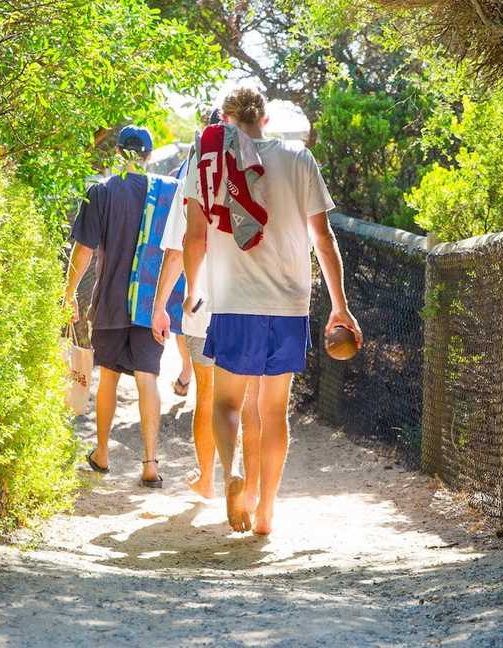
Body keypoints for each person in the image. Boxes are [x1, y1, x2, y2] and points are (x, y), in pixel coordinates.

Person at [180, 87, 362, 534]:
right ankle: (265, 514)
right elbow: (323, 238)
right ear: (265, 118)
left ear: (225, 119)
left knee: (227, 402)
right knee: (273, 411)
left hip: (233, 301)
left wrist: (191, 289)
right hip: (288, 304)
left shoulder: (207, 161)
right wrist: (340, 306)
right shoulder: (299, 159)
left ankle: (233, 470)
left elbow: (195, 237)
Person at [152, 108, 261, 506]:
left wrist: (160, 305)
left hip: (203, 307)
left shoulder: (194, 178)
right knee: (248, 399)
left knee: (208, 396)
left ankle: (211, 480)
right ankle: (249, 488)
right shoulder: (256, 174)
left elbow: (181, 249)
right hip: (250, 302)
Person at [64, 125, 170, 489]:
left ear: (118, 152)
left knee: (108, 374)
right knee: (148, 378)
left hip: (109, 301)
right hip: (150, 303)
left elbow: (84, 249)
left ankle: (103, 454)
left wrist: (69, 294)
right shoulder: (165, 193)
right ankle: (151, 464)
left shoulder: (101, 192)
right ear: (148, 156)